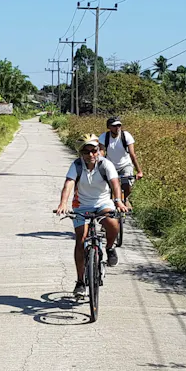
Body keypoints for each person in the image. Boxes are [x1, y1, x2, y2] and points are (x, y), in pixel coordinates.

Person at [54, 134, 129, 298]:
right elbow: (69, 184)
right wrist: (63, 203)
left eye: (94, 151)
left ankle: (110, 248)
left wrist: (118, 201)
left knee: (112, 223)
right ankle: (80, 282)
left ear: (98, 151)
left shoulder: (105, 164)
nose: (91, 155)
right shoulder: (76, 165)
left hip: (103, 203)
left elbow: (115, 183)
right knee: (80, 240)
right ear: (81, 153)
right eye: (86, 152)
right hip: (81, 205)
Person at [99, 116, 142, 201]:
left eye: (119, 125)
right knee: (108, 187)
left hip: (125, 165)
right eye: (114, 126)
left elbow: (132, 154)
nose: (117, 128)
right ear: (109, 127)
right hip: (110, 165)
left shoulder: (126, 136)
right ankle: (109, 203)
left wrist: (139, 171)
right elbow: (102, 152)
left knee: (127, 186)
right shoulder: (104, 137)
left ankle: (125, 200)